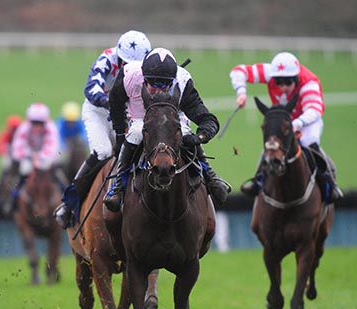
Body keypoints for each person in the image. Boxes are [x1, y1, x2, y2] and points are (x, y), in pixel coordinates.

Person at [103, 47, 231, 211]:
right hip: (140, 119)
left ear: (172, 81)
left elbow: (207, 119)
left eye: (165, 85)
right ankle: (118, 186)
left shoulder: (183, 82)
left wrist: (199, 137)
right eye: (153, 84)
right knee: (135, 133)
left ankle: (210, 175)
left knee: (185, 133)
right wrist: (121, 133)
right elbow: (115, 104)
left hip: (172, 120)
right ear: (144, 79)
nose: (158, 90)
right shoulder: (129, 76)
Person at [54, 30, 151, 228]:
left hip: (127, 114)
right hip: (98, 112)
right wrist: (110, 103)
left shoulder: (149, 66)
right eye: (126, 63)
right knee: (103, 151)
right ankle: (69, 204)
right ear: (120, 57)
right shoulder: (107, 58)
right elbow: (91, 88)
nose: (130, 68)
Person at [230, 52, 342, 202]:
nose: (283, 87)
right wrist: (241, 93)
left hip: (307, 121)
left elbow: (314, 110)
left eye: (288, 83)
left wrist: (296, 125)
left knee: (309, 142)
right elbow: (239, 71)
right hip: (284, 122)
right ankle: (258, 180)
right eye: (279, 82)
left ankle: (329, 180)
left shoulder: (309, 83)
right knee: (270, 146)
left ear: (296, 78)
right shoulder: (270, 72)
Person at [7, 103, 63, 213]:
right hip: (28, 157)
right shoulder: (23, 128)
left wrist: (40, 157)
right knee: (24, 170)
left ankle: (64, 195)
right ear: (29, 121)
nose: (37, 126)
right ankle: (13, 199)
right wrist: (30, 156)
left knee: (58, 173)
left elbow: (52, 149)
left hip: (46, 157)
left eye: (40, 123)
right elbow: (17, 149)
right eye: (34, 123)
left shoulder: (51, 128)